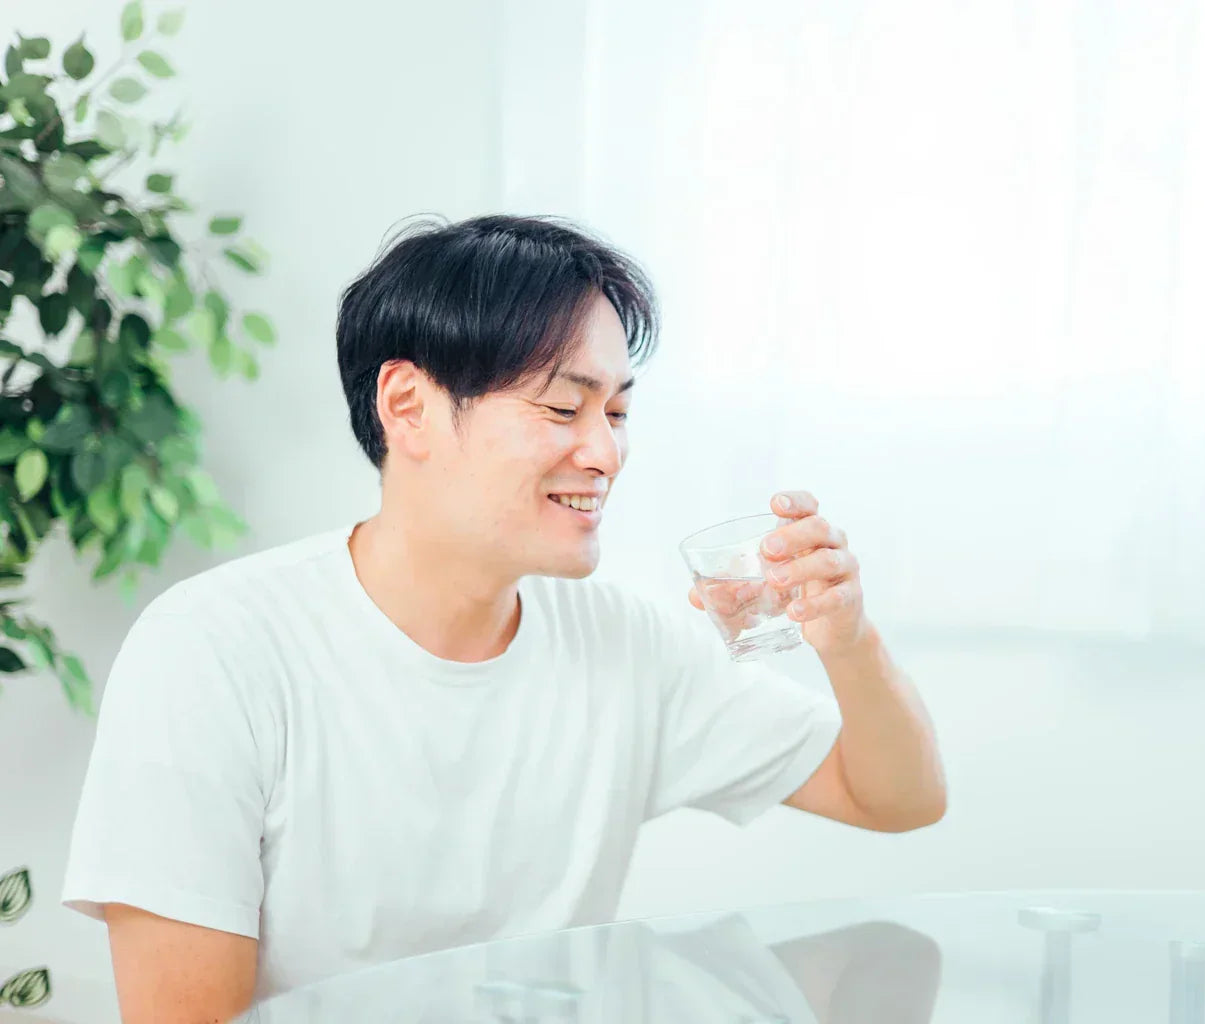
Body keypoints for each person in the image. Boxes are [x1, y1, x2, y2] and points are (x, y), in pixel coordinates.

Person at [61, 215, 946, 1024]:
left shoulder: (626, 643)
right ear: (408, 407)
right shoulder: (214, 650)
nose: (604, 452)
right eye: (564, 407)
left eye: (619, 411)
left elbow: (897, 797)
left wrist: (849, 640)